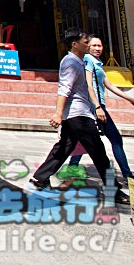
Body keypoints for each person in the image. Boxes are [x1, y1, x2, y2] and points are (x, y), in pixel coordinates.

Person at [30, 29, 127, 203]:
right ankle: (114, 191)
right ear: (75, 44)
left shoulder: (80, 62)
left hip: (77, 113)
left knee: (64, 147)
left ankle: (40, 177)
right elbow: (64, 89)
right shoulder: (71, 63)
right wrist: (58, 113)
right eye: (85, 41)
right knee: (99, 153)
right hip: (78, 115)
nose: (89, 44)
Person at [67, 35, 134, 182]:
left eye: (100, 46)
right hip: (94, 105)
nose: (98, 48)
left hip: (96, 105)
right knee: (115, 139)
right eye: (94, 46)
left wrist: (129, 98)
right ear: (87, 47)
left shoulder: (97, 63)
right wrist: (97, 106)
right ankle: (127, 173)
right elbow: (88, 84)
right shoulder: (88, 61)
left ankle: (72, 166)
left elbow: (108, 85)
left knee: (84, 139)